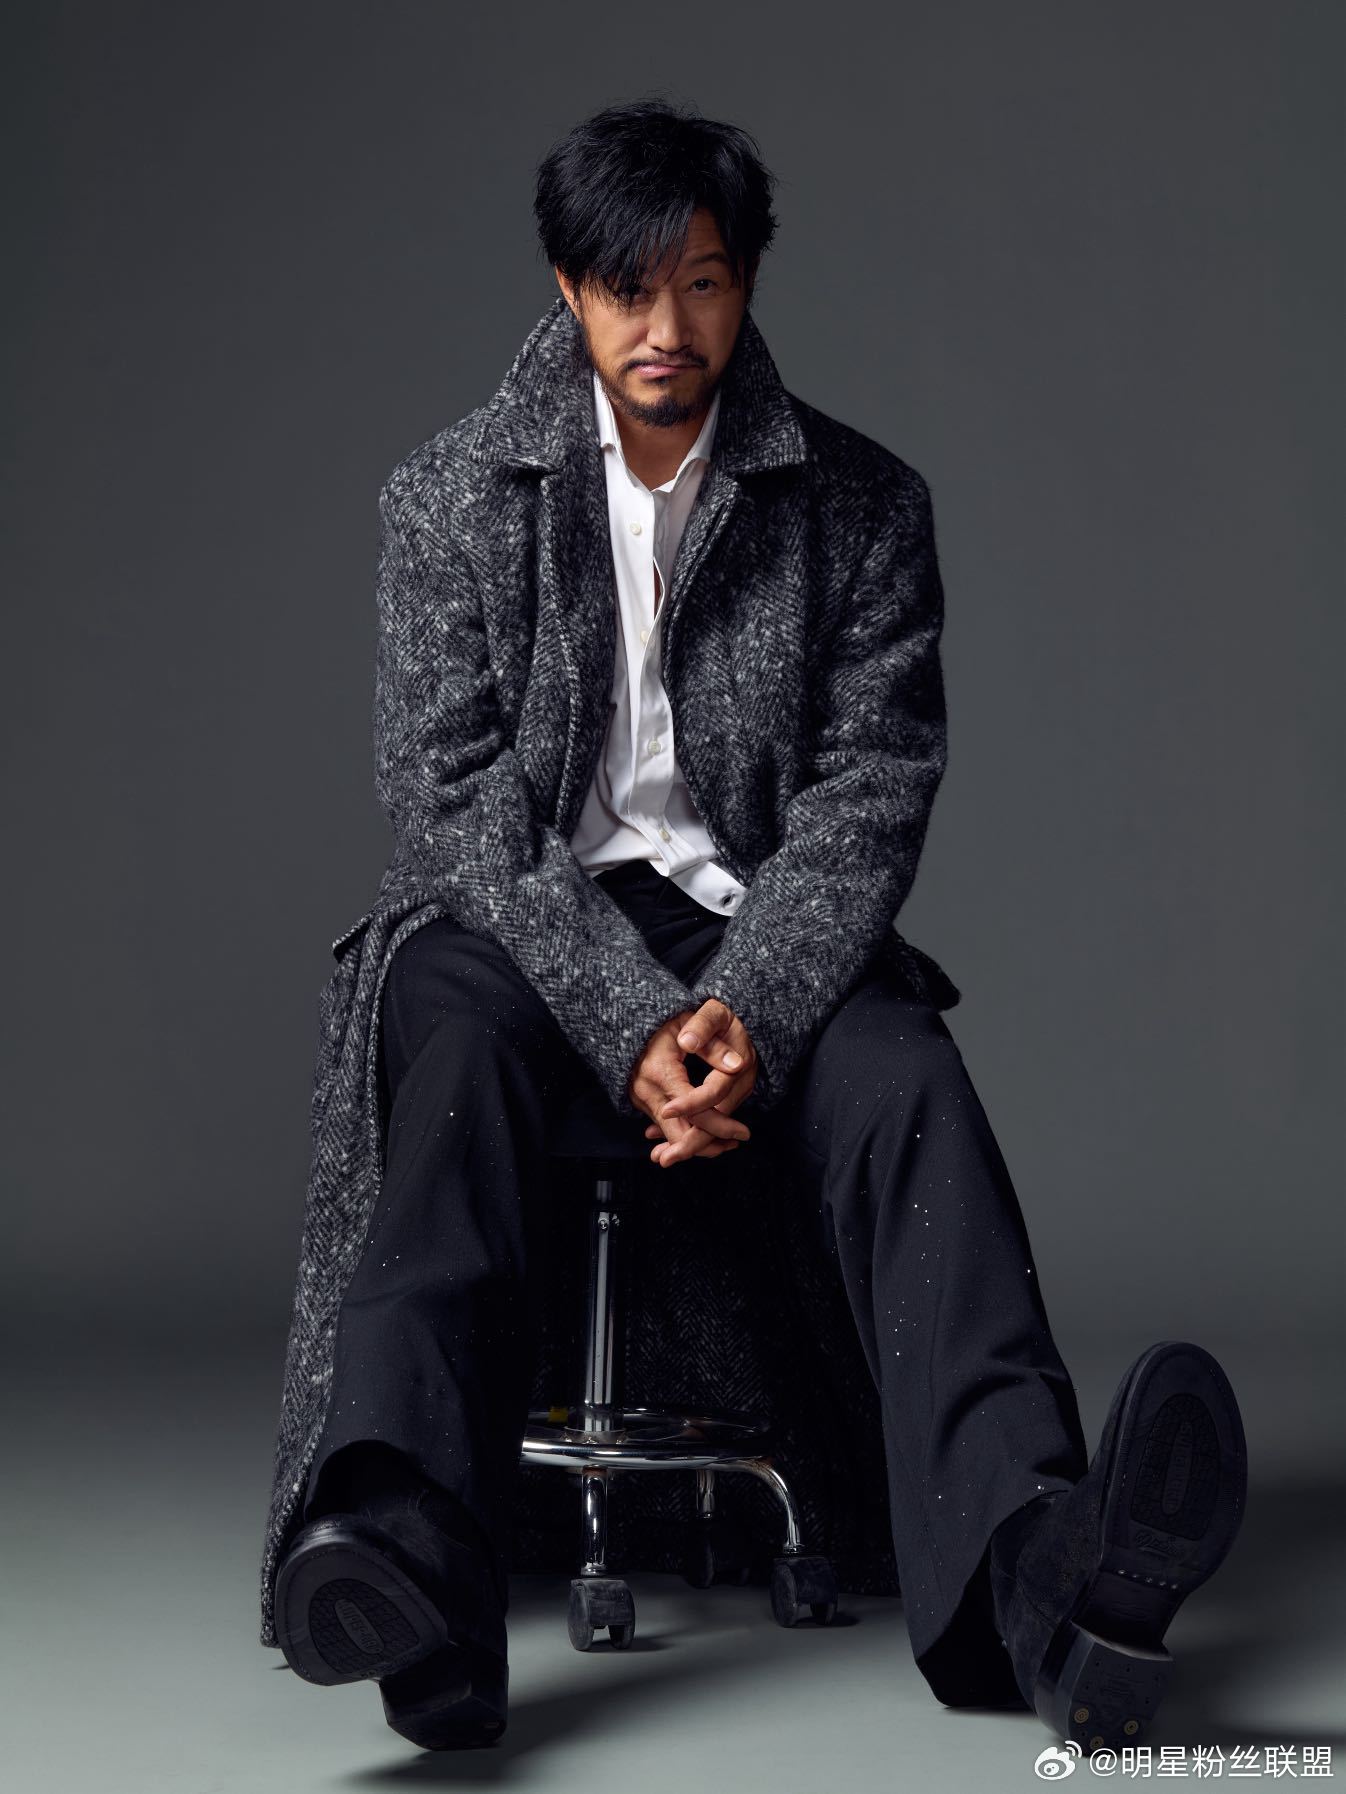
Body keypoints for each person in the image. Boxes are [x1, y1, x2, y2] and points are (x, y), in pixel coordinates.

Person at [263, 98, 1246, 1754]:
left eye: (703, 283)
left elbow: (871, 788)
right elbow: (455, 798)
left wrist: (754, 1008)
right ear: (566, 288)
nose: (668, 326)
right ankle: (404, 1544)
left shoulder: (858, 504)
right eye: (628, 290)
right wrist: (628, 1015)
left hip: (759, 929)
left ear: (746, 282)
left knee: (908, 1081)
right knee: (452, 1058)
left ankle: (1038, 1572)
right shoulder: (447, 498)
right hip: (516, 924)